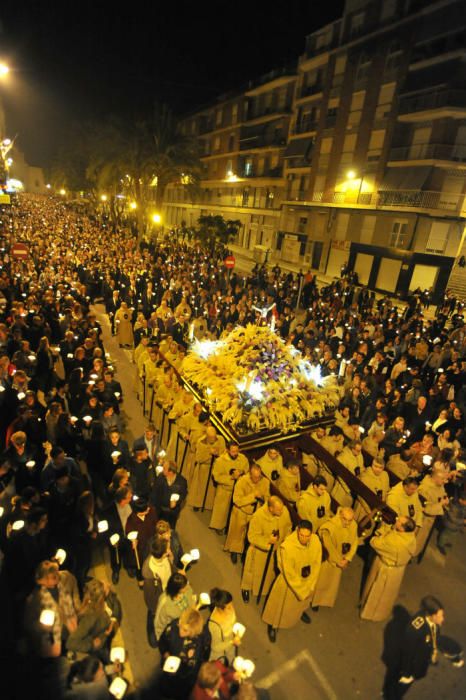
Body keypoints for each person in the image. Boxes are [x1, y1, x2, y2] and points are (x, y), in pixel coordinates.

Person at [383, 596, 462, 699]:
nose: (443, 619)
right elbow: (407, 653)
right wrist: (407, 673)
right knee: (400, 687)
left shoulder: (433, 622)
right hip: (409, 666)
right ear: (431, 616)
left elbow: (434, 638)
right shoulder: (414, 630)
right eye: (440, 616)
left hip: (420, 659)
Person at [262, 520, 322, 642]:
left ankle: (299, 613)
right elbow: (289, 573)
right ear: (297, 531)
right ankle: (273, 625)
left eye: (307, 536)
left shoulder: (315, 541)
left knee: (299, 605)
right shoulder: (287, 547)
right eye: (301, 535)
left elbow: (317, 563)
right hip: (289, 584)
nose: (304, 539)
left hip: (306, 581)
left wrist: (310, 582)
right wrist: (302, 589)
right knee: (279, 607)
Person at [360, 517, 417, 622]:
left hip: (385, 567)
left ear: (402, 528)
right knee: (387, 595)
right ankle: (380, 614)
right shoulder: (411, 537)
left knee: (376, 591)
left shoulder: (393, 541)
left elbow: (374, 543)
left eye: (399, 521)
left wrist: (383, 532)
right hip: (397, 571)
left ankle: (368, 612)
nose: (396, 520)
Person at [240, 495, 292, 603]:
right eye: (278, 510)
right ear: (270, 508)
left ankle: (263, 589)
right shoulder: (258, 516)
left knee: (268, 573)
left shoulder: (284, 512)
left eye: (281, 508)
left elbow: (288, 526)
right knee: (251, 572)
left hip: (275, 549)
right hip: (259, 551)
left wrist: (286, 538)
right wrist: (268, 540)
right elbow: (252, 536)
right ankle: (246, 588)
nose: (281, 511)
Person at [158, 607, 211, 699]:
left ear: (194, 631)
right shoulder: (173, 627)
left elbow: (202, 659)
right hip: (168, 669)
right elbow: (162, 641)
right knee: (166, 688)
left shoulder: (201, 640)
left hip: (185, 679)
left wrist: (180, 673)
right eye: (180, 626)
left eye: (185, 630)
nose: (180, 632)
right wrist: (165, 653)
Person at [311, 507, 358, 609]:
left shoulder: (353, 525)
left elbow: (355, 542)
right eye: (344, 519)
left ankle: (322, 601)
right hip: (328, 560)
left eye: (350, 520)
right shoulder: (330, 526)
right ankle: (313, 600)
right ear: (340, 516)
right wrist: (338, 560)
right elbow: (329, 546)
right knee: (320, 582)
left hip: (341, 560)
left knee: (331, 584)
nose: (347, 523)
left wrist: (348, 558)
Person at [224, 463, 270, 564]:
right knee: (237, 532)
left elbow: (267, 497)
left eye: (259, 477)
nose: (257, 479)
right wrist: (252, 496)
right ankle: (234, 551)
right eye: (255, 477)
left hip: (256, 512)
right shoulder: (242, 481)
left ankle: (245, 553)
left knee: (250, 534)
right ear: (250, 474)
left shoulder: (265, 482)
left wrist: (262, 498)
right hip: (241, 511)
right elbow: (237, 500)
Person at [142, 535, 174, 647]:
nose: (170, 550)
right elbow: (150, 599)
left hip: (167, 594)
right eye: (168, 549)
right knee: (153, 616)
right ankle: (152, 633)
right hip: (157, 603)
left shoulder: (165, 559)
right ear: (162, 554)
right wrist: (156, 609)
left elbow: (170, 568)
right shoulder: (150, 576)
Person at [209, 444, 249, 534]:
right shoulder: (220, 461)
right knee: (222, 510)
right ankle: (219, 526)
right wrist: (231, 477)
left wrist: (241, 472)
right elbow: (216, 476)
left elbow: (246, 469)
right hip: (225, 489)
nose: (235, 453)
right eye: (233, 451)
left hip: (238, 489)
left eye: (237, 451)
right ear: (227, 450)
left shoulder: (243, 459)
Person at [155, 571, 195, 641]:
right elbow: (159, 622)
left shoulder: (186, 588)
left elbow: (191, 598)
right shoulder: (165, 603)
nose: (187, 587)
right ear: (176, 589)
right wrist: (159, 637)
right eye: (184, 587)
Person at [150, 459, 187, 528]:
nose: (162, 470)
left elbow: (183, 495)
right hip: (160, 511)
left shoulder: (181, 482)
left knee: (171, 530)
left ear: (170, 472)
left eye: (164, 469)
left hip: (172, 513)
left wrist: (176, 502)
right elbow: (154, 494)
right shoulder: (160, 478)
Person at [207, 588, 240, 664]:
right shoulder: (214, 625)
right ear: (219, 609)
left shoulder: (230, 610)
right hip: (221, 653)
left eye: (232, 604)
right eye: (228, 607)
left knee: (232, 660)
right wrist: (232, 642)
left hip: (231, 646)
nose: (232, 608)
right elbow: (215, 647)